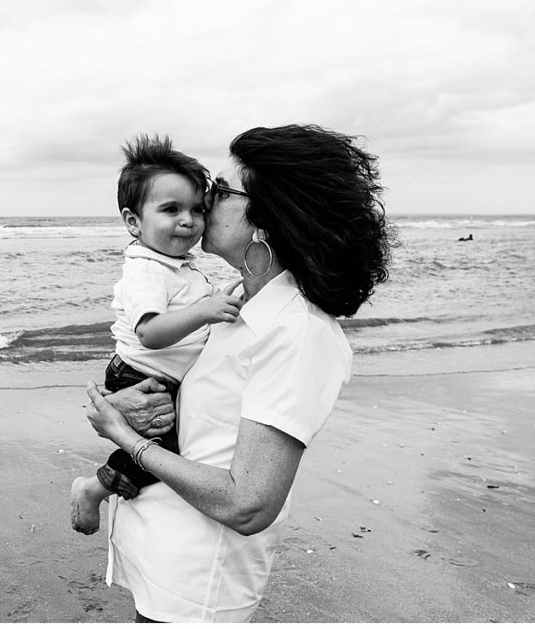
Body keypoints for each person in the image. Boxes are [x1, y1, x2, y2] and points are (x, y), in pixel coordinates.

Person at [83, 124, 392, 622]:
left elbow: (248, 503)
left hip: (200, 579)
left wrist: (128, 440)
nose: (204, 199)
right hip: (160, 548)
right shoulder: (234, 301)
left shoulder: (297, 332)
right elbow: (191, 400)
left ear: (267, 219)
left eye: (221, 191)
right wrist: (129, 406)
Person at [70, 135, 244, 535]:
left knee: (176, 451)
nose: (188, 220)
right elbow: (149, 332)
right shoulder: (147, 270)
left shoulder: (175, 265)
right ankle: (92, 488)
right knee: (160, 456)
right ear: (134, 221)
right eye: (171, 209)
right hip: (140, 375)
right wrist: (205, 311)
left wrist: (215, 302)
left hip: (161, 375)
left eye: (197, 209)